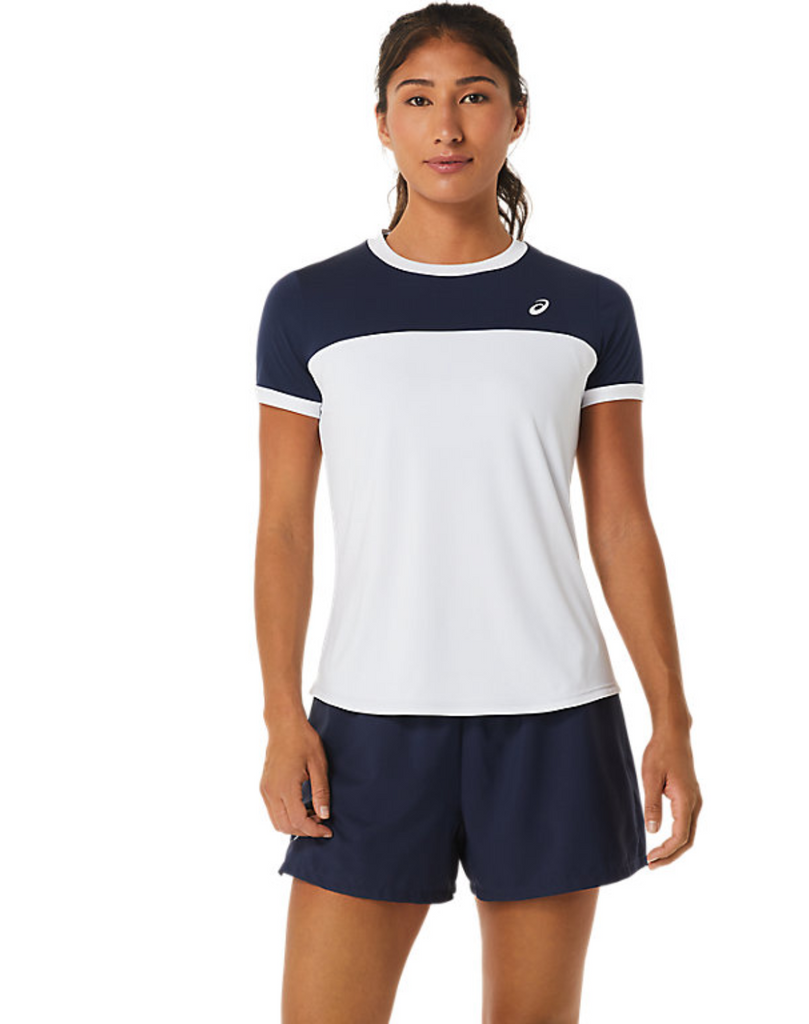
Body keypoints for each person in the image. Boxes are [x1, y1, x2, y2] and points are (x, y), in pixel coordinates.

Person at [254, 4, 701, 1021]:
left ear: (517, 115)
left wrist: (671, 716)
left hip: (554, 716)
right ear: (382, 122)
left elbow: (622, 523)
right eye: (417, 100)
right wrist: (282, 714)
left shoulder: (590, 309)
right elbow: (282, 527)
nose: (446, 127)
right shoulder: (309, 305)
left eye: (474, 97)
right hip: (368, 722)